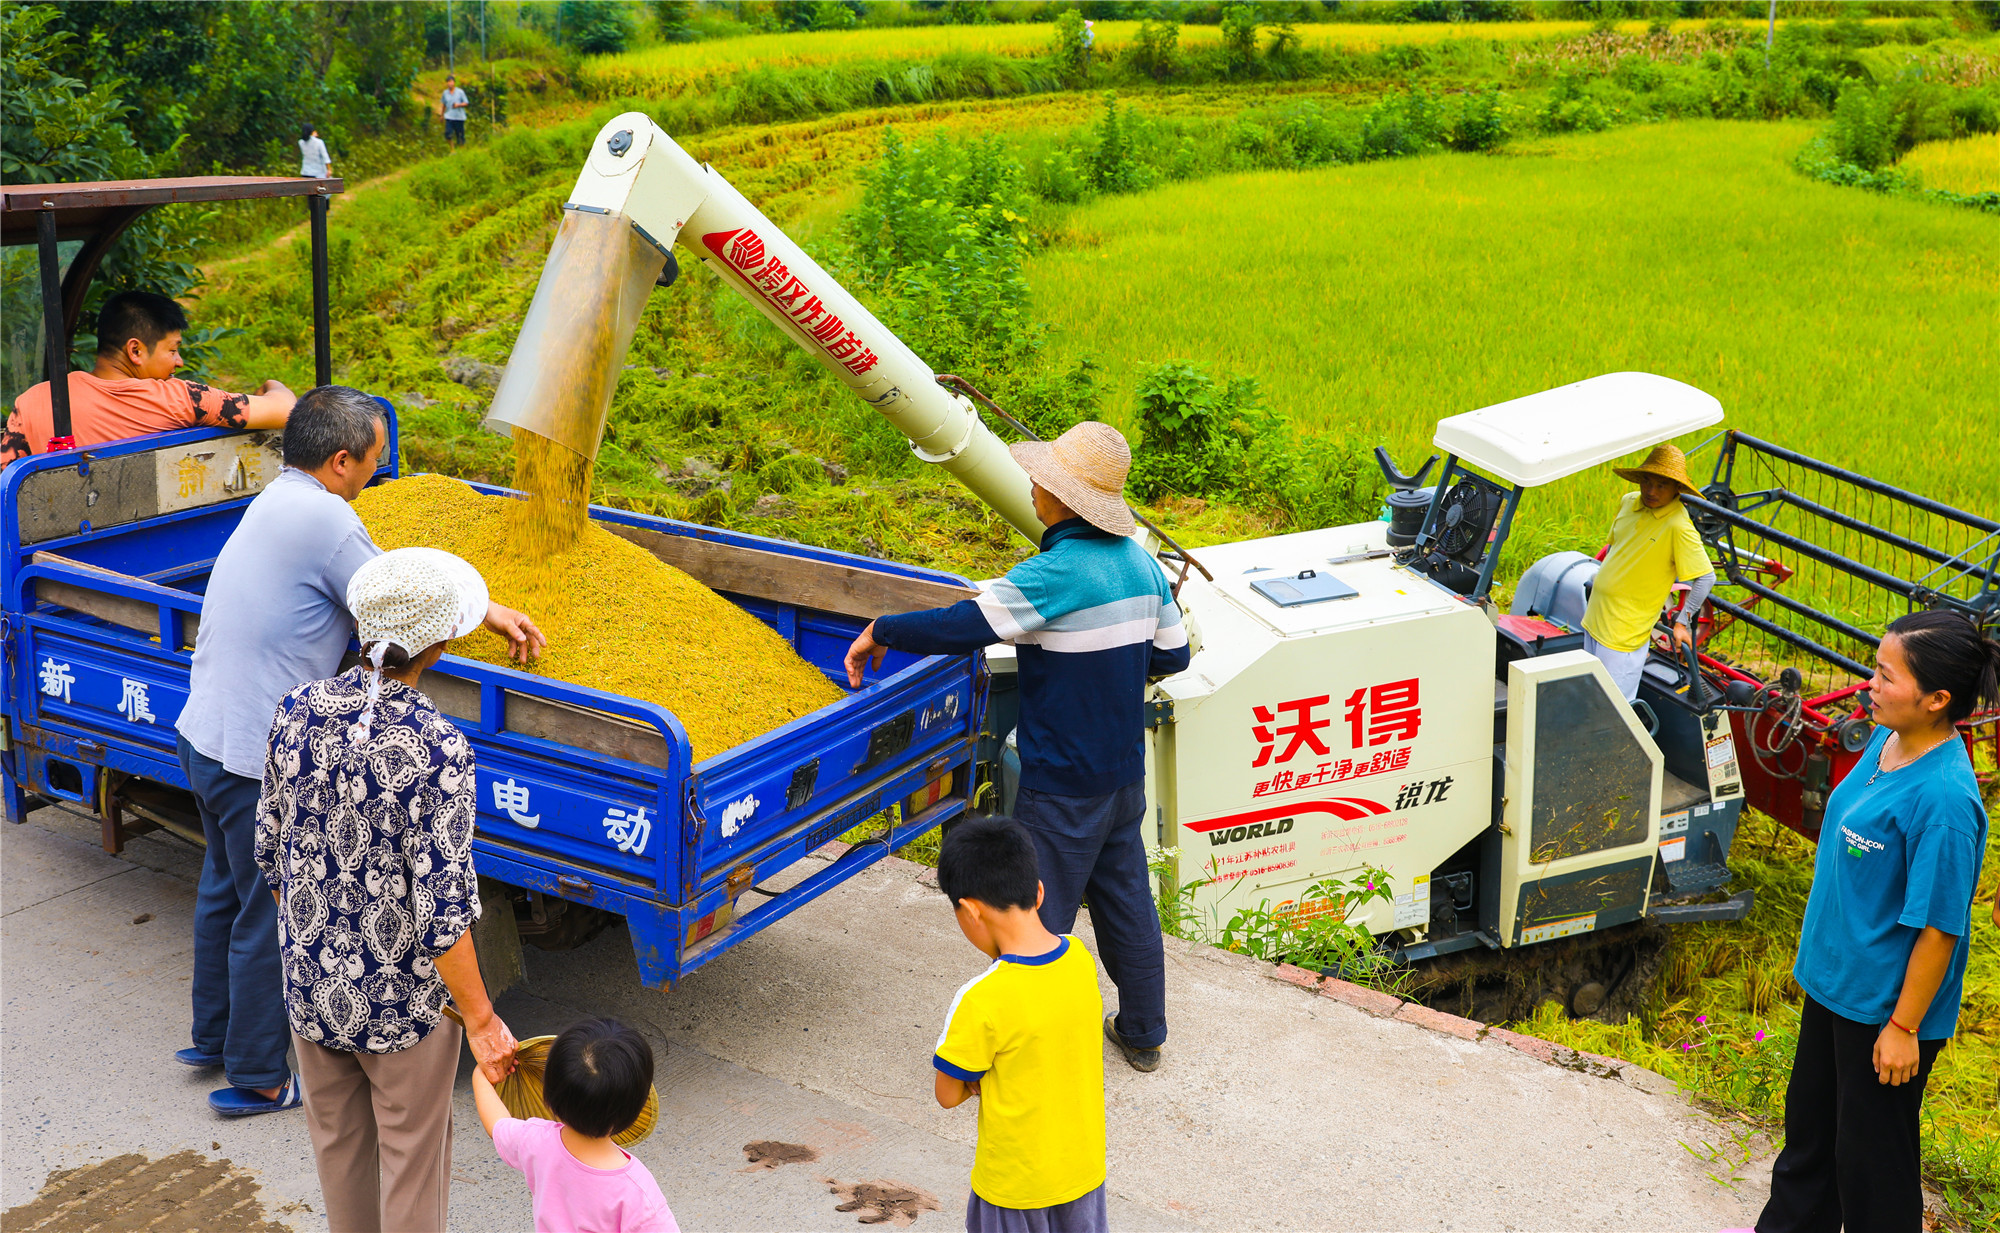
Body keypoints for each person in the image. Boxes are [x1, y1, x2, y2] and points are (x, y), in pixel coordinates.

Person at [175, 385, 543, 1117]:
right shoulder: (329, 520)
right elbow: (392, 599)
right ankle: (256, 1074)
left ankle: (210, 1034)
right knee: (262, 912)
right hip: (257, 747)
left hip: (204, 733)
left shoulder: (278, 498)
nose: (378, 472)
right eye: (374, 460)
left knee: (222, 884)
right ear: (341, 459)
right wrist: (488, 610)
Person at [843, 422, 1190, 1073]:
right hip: (1121, 775)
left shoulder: (1053, 573)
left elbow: (964, 625)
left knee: (1036, 912)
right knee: (1126, 899)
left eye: (1044, 480)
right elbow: (1174, 652)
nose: (1032, 486)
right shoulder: (1142, 564)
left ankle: (1033, 1047)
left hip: (1060, 783)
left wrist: (883, 627)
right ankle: (1143, 1031)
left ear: (1063, 500)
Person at [258, 547, 520, 1233]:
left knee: (339, 1156)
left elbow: (269, 852)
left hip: (312, 990)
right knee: (413, 1167)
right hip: (403, 1007)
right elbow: (443, 914)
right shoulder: (439, 748)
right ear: (439, 641)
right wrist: (485, 1022)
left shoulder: (296, 710)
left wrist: (316, 945)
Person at [1756, 610, 1998, 1233]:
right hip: (1837, 983)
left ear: (1937, 699)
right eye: (1874, 667)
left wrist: (1903, 1028)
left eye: (1886, 676)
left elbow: (1941, 930)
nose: (1870, 684)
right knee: (1810, 1135)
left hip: (1886, 1009)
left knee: (1873, 1168)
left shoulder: (1944, 801)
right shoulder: (1888, 739)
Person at [933, 816, 1107, 1233]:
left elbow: (947, 1093)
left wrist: (980, 1079)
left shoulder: (981, 998)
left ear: (970, 911)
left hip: (1014, 1188)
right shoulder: (1080, 959)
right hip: (1082, 1174)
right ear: (1040, 892)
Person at [2, 290, 296, 463]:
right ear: (135, 350)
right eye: (173, 350)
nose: (179, 362)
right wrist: (272, 385)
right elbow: (287, 411)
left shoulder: (32, 403)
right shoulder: (179, 398)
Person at [471, 1018, 678, 1233]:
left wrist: (482, 1072)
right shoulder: (635, 1189)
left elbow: (497, 1124)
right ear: (637, 1107)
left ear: (548, 1094)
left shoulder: (537, 1141)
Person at [1579, 442, 1716, 702]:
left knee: (1612, 707)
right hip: (1594, 617)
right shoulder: (1629, 502)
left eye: (1661, 485)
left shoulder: (1678, 526)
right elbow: (1614, 548)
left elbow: (1706, 577)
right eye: (1646, 481)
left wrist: (1682, 622)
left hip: (1624, 633)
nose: (1651, 491)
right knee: (1590, 697)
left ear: (1677, 488)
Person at [441, 75, 469, 148]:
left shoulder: (460, 92)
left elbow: (466, 102)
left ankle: (461, 149)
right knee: (448, 133)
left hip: (459, 117)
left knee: (459, 135)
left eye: (451, 81)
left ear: (454, 82)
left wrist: (458, 105)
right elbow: (444, 104)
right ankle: (452, 149)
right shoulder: (445, 93)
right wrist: (442, 115)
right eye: (448, 82)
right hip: (449, 116)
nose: (449, 83)